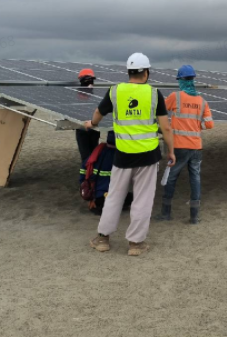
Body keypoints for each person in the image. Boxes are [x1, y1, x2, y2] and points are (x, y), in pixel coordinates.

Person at [84, 53, 175, 256]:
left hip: (123, 155)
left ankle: (102, 239)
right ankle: (135, 244)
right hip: (148, 156)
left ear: (128, 72)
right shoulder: (154, 94)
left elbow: (99, 113)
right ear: (146, 72)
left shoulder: (116, 91)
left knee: (114, 196)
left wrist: (92, 123)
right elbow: (166, 128)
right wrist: (171, 151)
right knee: (143, 199)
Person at [156, 64, 214, 224]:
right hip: (196, 147)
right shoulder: (202, 101)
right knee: (195, 179)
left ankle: (166, 213)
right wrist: (196, 127)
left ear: (181, 80)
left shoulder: (176, 97)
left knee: (171, 178)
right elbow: (210, 124)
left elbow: (160, 110)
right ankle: (194, 216)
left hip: (179, 147)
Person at [80, 131, 119, 215]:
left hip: (98, 192)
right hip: (106, 191)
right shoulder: (117, 156)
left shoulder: (98, 151)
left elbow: (84, 167)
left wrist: (83, 182)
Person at [75, 68, 101, 164]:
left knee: (89, 154)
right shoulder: (84, 94)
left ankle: (89, 170)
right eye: (90, 80)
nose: (91, 83)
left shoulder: (89, 94)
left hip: (89, 127)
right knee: (89, 154)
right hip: (87, 127)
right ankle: (89, 170)